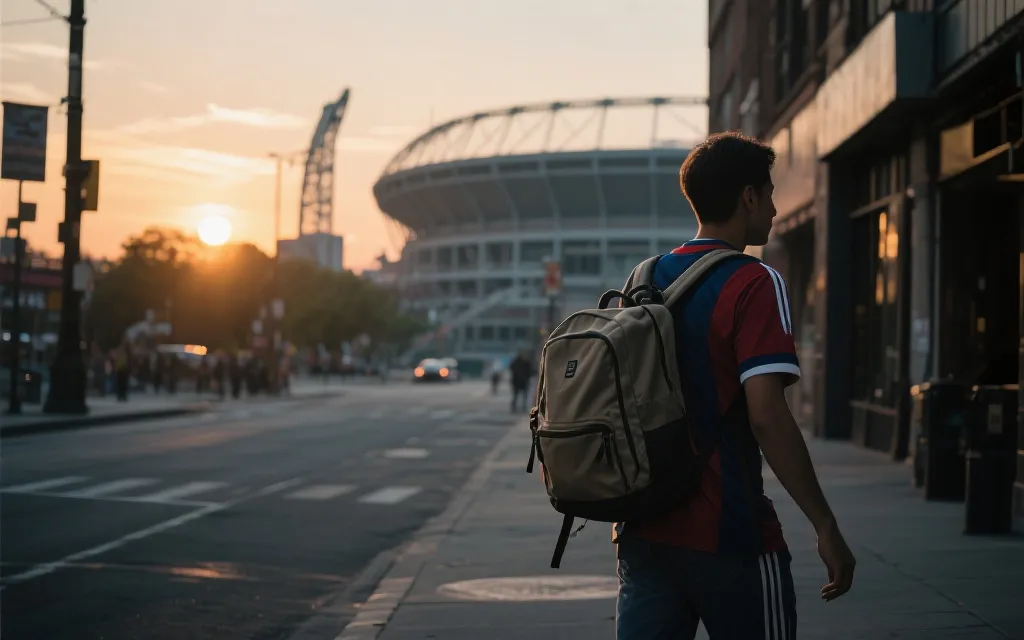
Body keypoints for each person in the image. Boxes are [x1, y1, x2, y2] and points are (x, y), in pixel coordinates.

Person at [615, 132, 856, 640]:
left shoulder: (644, 277)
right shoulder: (754, 281)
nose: (773, 207)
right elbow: (766, 416)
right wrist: (825, 524)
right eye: (768, 193)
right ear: (748, 196)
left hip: (643, 529)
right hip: (728, 533)